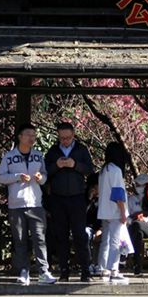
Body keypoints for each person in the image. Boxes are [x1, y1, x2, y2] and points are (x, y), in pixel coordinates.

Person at [0, 123, 56, 286]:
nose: (32, 138)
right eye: (28, 135)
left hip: (36, 203)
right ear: (20, 137)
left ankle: (44, 272)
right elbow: (0, 177)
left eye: (34, 135)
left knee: (39, 238)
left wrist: (40, 178)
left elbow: (44, 176)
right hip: (16, 204)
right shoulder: (9, 156)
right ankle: (24, 271)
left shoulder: (38, 155)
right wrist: (17, 176)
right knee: (20, 240)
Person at [44, 121, 95, 282]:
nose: (65, 141)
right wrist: (56, 166)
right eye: (62, 138)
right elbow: (44, 173)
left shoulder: (81, 150)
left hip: (77, 197)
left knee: (80, 235)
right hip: (58, 198)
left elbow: (90, 170)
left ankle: (85, 271)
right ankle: (64, 271)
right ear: (58, 137)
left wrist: (75, 165)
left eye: (68, 137)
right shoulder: (53, 151)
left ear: (73, 135)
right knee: (61, 235)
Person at [96, 142, 131, 285]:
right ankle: (113, 270)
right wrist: (123, 212)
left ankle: (103, 268)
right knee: (115, 242)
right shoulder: (116, 170)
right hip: (115, 211)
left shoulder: (104, 170)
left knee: (106, 241)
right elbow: (118, 193)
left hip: (104, 211)